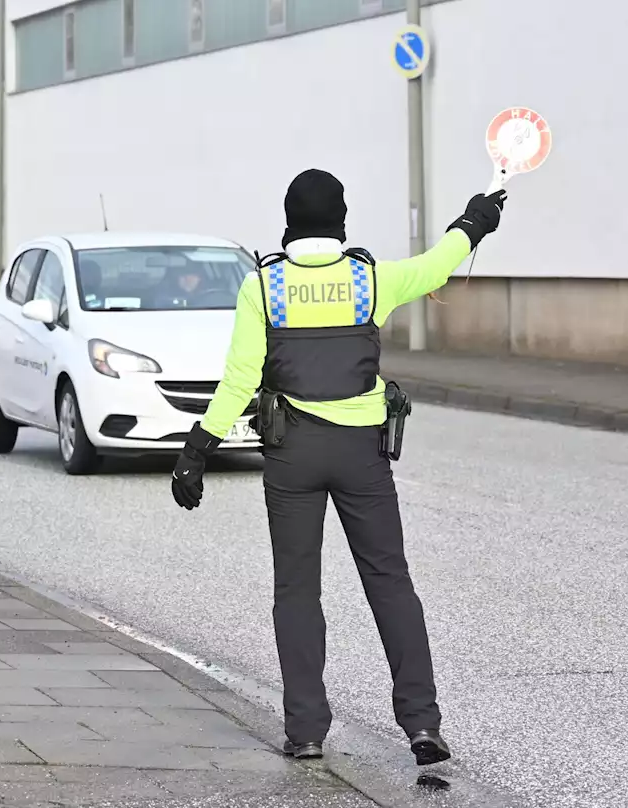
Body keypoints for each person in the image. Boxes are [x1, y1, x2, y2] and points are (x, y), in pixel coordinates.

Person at [170, 169, 506, 765]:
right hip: (362, 457)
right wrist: (474, 222)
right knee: (390, 582)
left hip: (292, 455)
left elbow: (240, 379)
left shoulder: (263, 287)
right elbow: (436, 265)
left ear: (288, 220)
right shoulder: (368, 279)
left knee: (297, 590)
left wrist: (198, 450)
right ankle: (422, 725)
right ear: (342, 219)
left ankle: (305, 731)